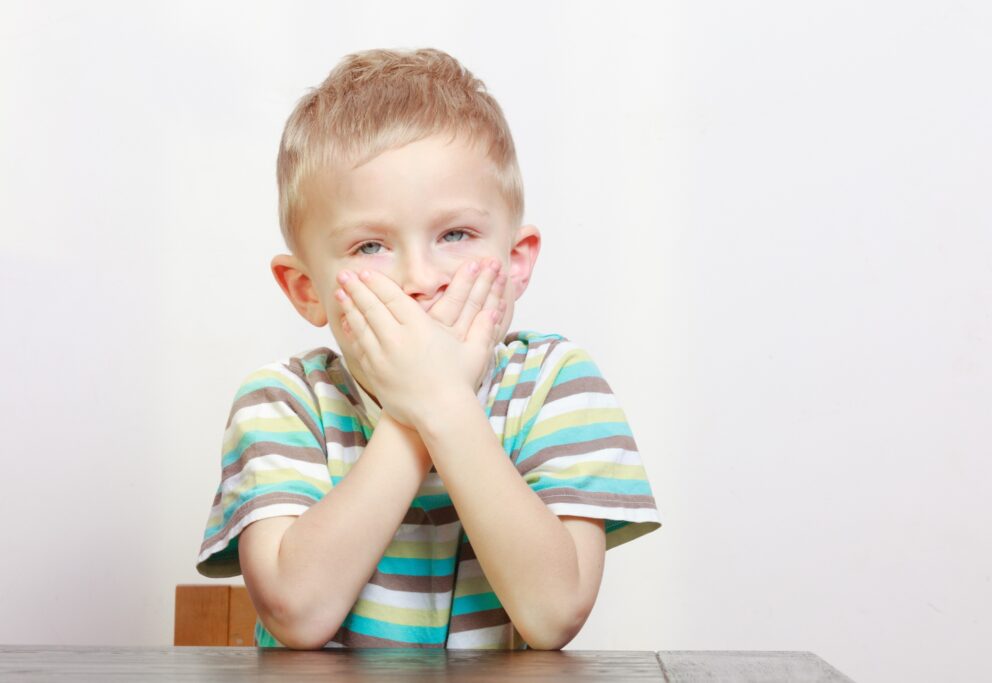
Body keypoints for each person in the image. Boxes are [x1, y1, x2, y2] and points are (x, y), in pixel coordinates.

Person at [195, 47, 661, 650]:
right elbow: (298, 614)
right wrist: (421, 406)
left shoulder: (555, 381)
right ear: (307, 289)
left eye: (456, 234)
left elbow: (553, 615)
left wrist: (444, 405)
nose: (420, 275)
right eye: (369, 246)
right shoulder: (283, 402)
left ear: (516, 262)